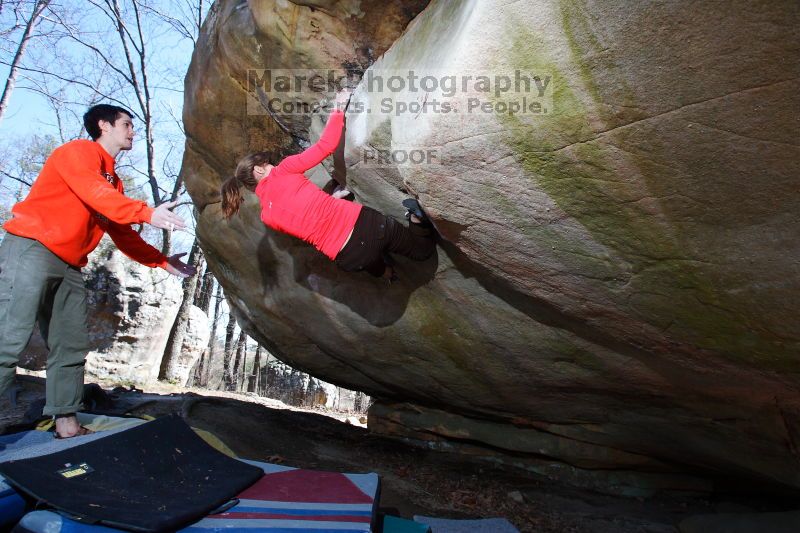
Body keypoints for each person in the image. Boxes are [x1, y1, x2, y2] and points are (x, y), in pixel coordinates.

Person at [0, 104, 195, 438]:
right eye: (126, 124)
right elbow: (94, 192)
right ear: (103, 125)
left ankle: (66, 423)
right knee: (8, 338)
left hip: (70, 265)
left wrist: (162, 261)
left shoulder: (113, 183)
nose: (132, 131)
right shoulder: (77, 152)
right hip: (32, 248)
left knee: (71, 345)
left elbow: (121, 232)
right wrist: (146, 213)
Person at [220, 90, 435, 280]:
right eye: (266, 163)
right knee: (421, 252)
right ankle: (415, 216)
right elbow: (326, 145)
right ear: (258, 170)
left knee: (370, 259)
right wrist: (339, 106)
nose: (271, 164)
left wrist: (330, 200)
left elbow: (307, 220)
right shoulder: (284, 170)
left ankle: (386, 273)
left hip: (349, 257)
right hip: (364, 226)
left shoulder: (267, 216)